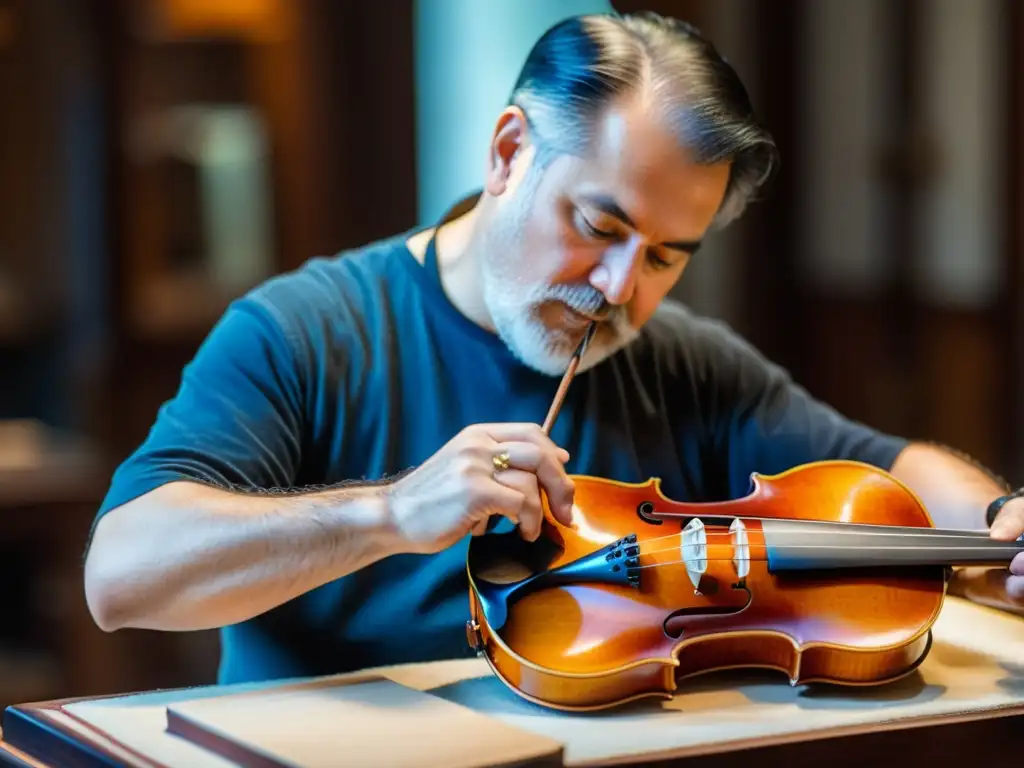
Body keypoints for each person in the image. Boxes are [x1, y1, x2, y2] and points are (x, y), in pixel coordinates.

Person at [83, 11, 1023, 686]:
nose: (620, 287)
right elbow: (122, 578)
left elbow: (886, 471)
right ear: (506, 153)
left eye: (664, 256)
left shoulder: (683, 360)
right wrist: (387, 512)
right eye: (597, 223)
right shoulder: (303, 329)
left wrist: (998, 526)